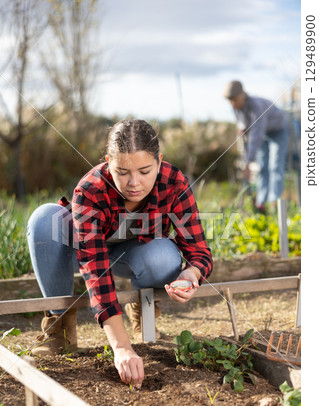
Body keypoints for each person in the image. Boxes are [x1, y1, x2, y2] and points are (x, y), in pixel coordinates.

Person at [27, 119, 213, 388]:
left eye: (145, 171)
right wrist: (122, 348)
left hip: (133, 253)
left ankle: (141, 308)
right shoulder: (91, 189)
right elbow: (94, 265)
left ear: (159, 162)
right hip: (85, 249)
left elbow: (198, 251)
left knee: (165, 256)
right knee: (44, 219)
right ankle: (59, 324)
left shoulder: (175, 183)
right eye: (122, 171)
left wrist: (190, 272)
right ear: (108, 162)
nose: (134, 183)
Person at [223, 80, 290, 212]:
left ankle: (274, 203)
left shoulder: (256, 106)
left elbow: (256, 135)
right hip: (263, 135)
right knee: (262, 167)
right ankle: (261, 202)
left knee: (275, 166)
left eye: (234, 100)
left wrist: (248, 162)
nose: (232, 103)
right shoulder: (237, 109)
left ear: (242, 95)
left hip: (278, 131)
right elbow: (244, 129)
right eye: (230, 100)